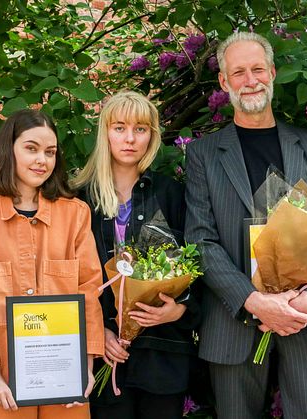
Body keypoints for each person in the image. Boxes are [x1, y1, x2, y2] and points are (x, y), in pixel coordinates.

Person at [184, 32, 307, 419]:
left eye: (258, 69)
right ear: (224, 82)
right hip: (235, 322)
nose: (250, 79)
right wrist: (252, 301)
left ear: (272, 73)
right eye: (238, 72)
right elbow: (200, 239)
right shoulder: (204, 154)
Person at [0, 109, 104, 419]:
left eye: (50, 152)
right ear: (8, 150)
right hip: (2, 376)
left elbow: (89, 291)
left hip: (65, 371)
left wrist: (86, 366)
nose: (42, 159)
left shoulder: (76, 214)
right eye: (31, 148)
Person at [74, 90, 200, 419]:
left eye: (141, 129)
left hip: (162, 354)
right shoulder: (79, 201)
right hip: (103, 356)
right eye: (120, 128)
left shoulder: (172, 194)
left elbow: (200, 264)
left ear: (153, 137)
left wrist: (179, 310)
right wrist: (95, 332)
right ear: (105, 133)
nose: (130, 138)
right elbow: (66, 277)